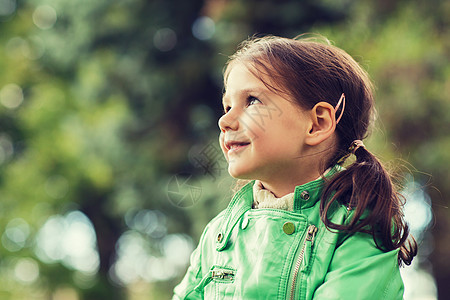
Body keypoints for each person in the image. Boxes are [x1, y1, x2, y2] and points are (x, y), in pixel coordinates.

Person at [173, 35, 417, 299]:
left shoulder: (358, 226)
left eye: (252, 101)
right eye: (228, 106)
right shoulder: (218, 235)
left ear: (317, 124)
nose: (225, 120)